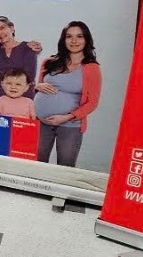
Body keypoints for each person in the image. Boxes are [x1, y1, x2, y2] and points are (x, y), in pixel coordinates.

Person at [34, 21, 102, 167]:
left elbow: (92, 102)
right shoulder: (48, 62)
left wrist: (66, 117)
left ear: (86, 40)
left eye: (79, 36)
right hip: (41, 123)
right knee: (34, 163)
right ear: (63, 39)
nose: (74, 41)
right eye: (69, 36)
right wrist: (37, 86)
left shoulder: (91, 68)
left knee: (65, 166)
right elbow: (36, 88)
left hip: (70, 125)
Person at [0, 17, 42, 101]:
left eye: (2, 28)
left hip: (23, 99)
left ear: (11, 28)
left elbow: (29, 76)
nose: (0, 33)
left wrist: (1, 75)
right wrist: (18, 74)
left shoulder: (28, 48)